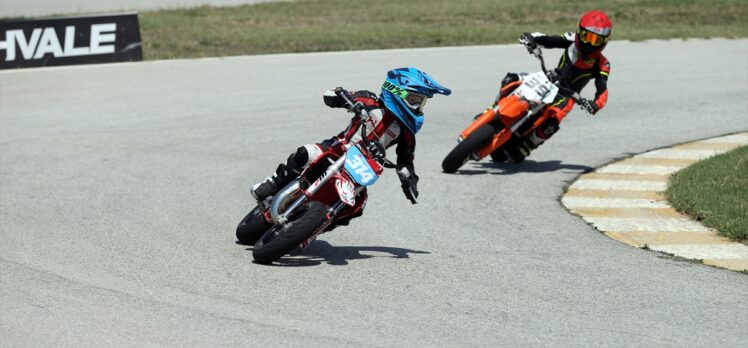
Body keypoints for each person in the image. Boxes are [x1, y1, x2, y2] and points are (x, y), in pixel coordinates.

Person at [251, 67, 451, 206]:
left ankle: (319, 222)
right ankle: (275, 182)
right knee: (306, 153)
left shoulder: (406, 132)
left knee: (358, 206)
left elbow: (406, 159)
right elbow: (331, 95)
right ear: (397, 91)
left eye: (421, 102)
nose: (418, 107)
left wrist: (410, 180)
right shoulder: (369, 100)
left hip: (363, 168)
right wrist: (342, 98)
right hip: (337, 149)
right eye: (414, 100)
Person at [497, 10, 612, 163]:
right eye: (587, 36)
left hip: (569, 96)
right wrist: (532, 38)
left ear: (603, 42)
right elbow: (550, 40)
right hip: (549, 78)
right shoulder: (571, 39)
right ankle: (493, 111)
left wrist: (594, 105)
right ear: (579, 32)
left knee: (551, 124)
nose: (589, 43)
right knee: (511, 79)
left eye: (595, 40)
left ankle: (525, 147)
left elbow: (602, 89)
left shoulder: (603, 64)